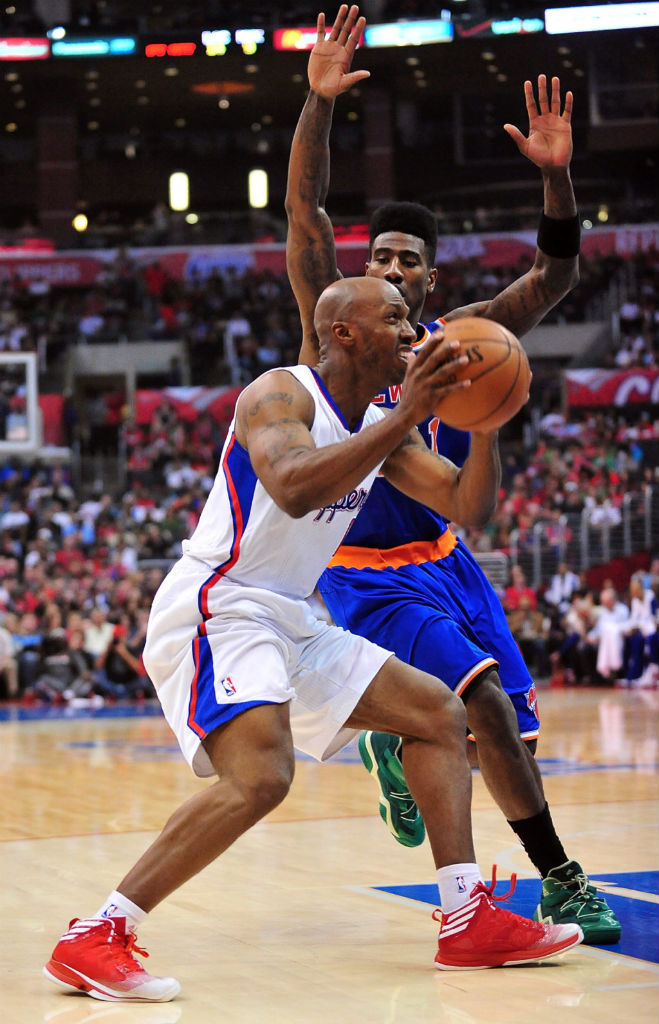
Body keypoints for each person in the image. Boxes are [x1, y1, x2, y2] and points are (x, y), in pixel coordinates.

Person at [43, 277, 583, 1002]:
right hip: (222, 604)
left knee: (438, 713)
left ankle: (465, 918)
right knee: (261, 776)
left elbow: (464, 506)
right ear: (344, 333)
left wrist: (481, 421)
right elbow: (295, 484)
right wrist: (406, 418)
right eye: (392, 317)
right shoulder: (280, 394)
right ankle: (98, 934)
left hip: (291, 613)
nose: (409, 329)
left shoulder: (377, 428)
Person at [285, 5, 620, 943]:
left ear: (429, 282)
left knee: (501, 725)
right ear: (362, 275)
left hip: (448, 559)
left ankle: (399, 754)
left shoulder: (463, 341)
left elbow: (549, 282)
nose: (392, 269)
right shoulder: (336, 329)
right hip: (365, 577)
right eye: (380, 257)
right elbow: (303, 215)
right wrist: (316, 109)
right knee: (475, 706)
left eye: (409, 263)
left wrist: (557, 182)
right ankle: (558, 880)